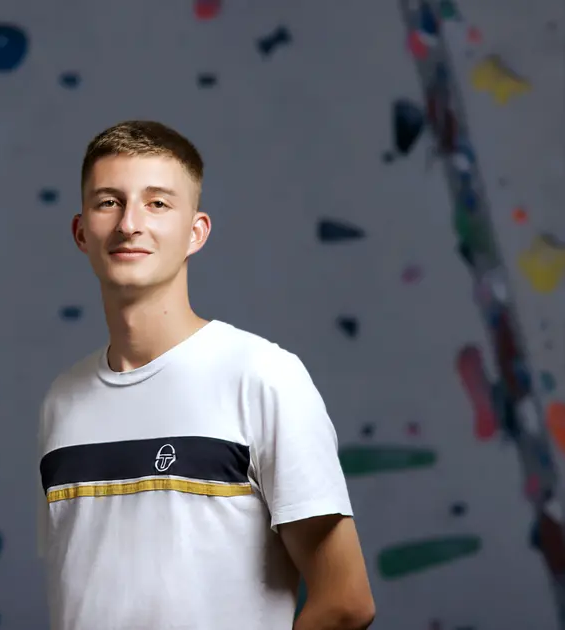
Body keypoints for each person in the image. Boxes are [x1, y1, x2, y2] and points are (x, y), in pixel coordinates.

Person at [37, 120, 376, 630]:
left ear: (196, 232)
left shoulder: (262, 376)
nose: (130, 223)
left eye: (157, 203)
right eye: (109, 201)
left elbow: (346, 602)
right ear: (82, 231)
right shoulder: (61, 401)